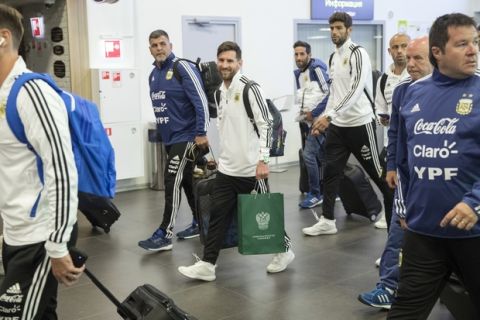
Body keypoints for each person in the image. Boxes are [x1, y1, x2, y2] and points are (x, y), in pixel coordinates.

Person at [387, 13, 480, 319]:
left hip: (474, 233)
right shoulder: (413, 93)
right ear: (437, 52)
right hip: (424, 233)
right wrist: (406, 209)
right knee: (404, 312)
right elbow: (403, 162)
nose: (473, 50)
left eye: (476, 42)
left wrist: (475, 203)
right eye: (463, 43)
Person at [177, 41, 294, 281]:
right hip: (228, 170)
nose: (224, 65)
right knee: (218, 215)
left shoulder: (250, 88)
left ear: (240, 63)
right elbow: (224, 126)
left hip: (252, 169)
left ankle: (284, 250)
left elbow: (267, 125)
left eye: (230, 61)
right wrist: (222, 157)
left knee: (265, 213)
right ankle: (208, 265)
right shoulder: (220, 91)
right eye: (221, 60)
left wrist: (263, 160)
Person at [0, 4, 84, 318]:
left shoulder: (32, 92)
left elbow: (61, 170)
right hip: (15, 232)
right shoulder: (2, 95)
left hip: (41, 236)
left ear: (3, 38)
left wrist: (58, 244)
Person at [358, 36, 433, 310]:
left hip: (441, 185)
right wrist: (391, 166)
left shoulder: (450, 90)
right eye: (407, 58)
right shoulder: (402, 91)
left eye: (417, 58)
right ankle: (388, 287)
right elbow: (395, 133)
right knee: (396, 233)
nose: (409, 63)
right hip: (408, 178)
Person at [303, 12, 394, 236]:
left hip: (361, 125)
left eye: (339, 28)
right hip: (338, 127)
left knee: (380, 175)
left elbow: (354, 92)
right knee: (332, 173)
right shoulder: (334, 57)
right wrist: (322, 117)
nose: (334, 32)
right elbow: (335, 93)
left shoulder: (358, 53)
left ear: (349, 30)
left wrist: (329, 116)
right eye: (332, 28)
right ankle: (327, 219)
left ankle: (395, 221)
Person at [138, 29, 210, 251]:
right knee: (187, 181)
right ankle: (200, 222)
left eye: (162, 44)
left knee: (172, 180)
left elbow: (201, 102)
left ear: (170, 45)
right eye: (154, 45)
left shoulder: (182, 67)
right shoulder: (153, 74)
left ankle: (164, 233)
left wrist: (201, 133)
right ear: (150, 49)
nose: (159, 48)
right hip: (170, 139)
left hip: (188, 136)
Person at [373, 33, 410, 230]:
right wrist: (384, 118)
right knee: (389, 189)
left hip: (413, 147)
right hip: (391, 144)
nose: (400, 51)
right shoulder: (383, 79)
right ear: (389, 51)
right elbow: (379, 107)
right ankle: (392, 239)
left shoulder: (416, 76)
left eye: (404, 46)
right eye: (396, 47)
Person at [293, 40, 330, 209]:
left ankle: (315, 194)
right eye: (296, 54)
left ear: (309, 54)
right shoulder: (299, 74)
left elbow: (330, 93)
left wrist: (314, 114)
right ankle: (329, 191)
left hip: (322, 121)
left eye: (302, 54)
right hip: (309, 122)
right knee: (322, 156)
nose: (299, 57)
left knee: (308, 155)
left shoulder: (317, 69)